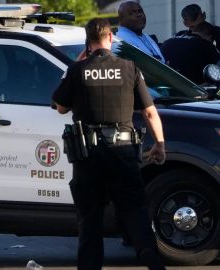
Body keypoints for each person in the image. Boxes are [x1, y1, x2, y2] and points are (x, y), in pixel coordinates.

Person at [52, 18, 166, 270]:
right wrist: (159, 144)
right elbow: (149, 112)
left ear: (88, 41)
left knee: (90, 219)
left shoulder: (77, 70)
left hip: (88, 155)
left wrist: (76, 65)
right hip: (123, 152)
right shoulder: (129, 67)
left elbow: (60, 107)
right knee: (135, 212)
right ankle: (150, 256)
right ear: (111, 38)